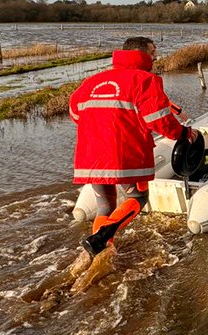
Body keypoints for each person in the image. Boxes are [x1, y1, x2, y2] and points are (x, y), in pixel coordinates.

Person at [69, 36, 193, 258]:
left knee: (105, 206)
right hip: (124, 154)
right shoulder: (145, 80)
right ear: (142, 54)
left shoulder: (93, 81)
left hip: (90, 157)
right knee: (138, 197)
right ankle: (102, 237)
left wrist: (101, 127)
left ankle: (98, 251)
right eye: (153, 52)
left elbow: (75, 113)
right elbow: (158, 120)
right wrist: (184, 133)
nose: (156, 57)